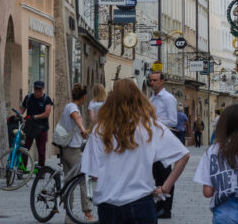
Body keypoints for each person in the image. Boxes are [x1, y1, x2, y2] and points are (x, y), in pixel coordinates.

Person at [81, 79, 189, 224]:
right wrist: (165, 188)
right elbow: (183, 155)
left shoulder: (100, 129)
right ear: (139, 98)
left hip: (109, 203)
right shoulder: (150, 127)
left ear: (112, 99)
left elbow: (94, 173)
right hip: (140, 202)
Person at [58, 83, 92, 221]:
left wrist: (82, 131)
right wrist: (83, 128)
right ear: (84, 97)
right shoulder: (73, 108)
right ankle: (88, 213)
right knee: (83, 180)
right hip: (72, 150)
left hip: (65, 149)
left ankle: (68, 216)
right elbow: (76, 117)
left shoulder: (68, 106)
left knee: (69, 181)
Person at [148, 71, 178, 219]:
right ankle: (159, 204)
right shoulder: (151, 98)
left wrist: (155, 121)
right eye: (151, 80)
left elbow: (173, 121)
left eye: (154, 80)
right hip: (153, 141)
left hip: (164, 141)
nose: (152, 83)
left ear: (162, 82)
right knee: (157, 176)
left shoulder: (168, 98)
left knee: (166, 175)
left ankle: (167, 209)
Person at [20, 80, 54, 167]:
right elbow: (22, 110)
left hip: (41, 128)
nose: (38, 91)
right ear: (33, 88)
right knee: (25, 148)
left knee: (41, 150)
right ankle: (22, 168)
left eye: (40, 89)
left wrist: (35, 117)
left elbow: (47, 113)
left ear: (43, 89)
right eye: (36, 89)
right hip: (30, 127)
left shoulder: (47, 99)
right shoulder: (28, 98)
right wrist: (17, 116)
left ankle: (41, 169)